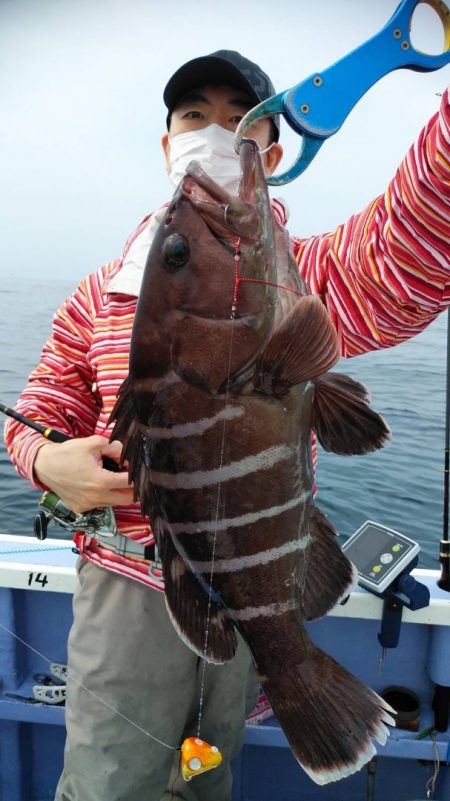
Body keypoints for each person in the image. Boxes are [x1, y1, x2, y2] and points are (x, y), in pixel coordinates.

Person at [4, 49, 450, 801]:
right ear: (167, 144)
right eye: (193, 117)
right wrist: (49, 465)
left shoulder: (311, 278)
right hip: (123, 591)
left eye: (241, 122)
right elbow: (38, 411)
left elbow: (409, 246)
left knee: (208, 780)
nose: (214, 133)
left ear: (274, 153)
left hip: (255, 600)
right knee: (111, 782)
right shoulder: (96, 297)